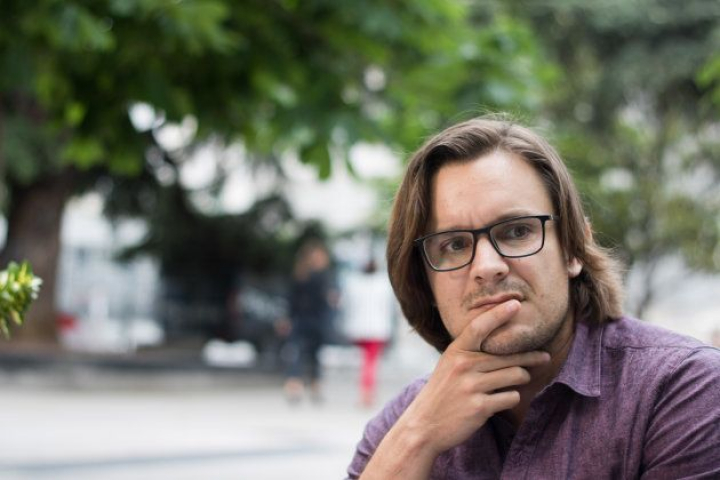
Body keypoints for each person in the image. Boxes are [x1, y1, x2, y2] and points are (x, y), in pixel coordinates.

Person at [346, 116, 720, 478]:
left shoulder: (683, 390)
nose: (487, 266)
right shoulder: (405, 422)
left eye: (516, 232)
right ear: (425, 282)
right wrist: (417, 436)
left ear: (573, 248)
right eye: (455, 244)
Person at [283, 238, 338, 404]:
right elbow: (328, 300)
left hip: (307, 321)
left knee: (306, 354)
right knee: (305, 354)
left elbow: (291, 300)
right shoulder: (319, 277)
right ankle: (303, 386)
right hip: (310, 321)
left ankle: (305, 386)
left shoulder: (302, 275)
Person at [341, 258, 396, 407]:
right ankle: (367, 394)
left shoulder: (353, 283)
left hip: (358, 328)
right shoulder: (384, 284)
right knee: (370, 363)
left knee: (363, 362)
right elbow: (388, 308)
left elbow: (347, 305)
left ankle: (365, 393)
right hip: (377, 330)